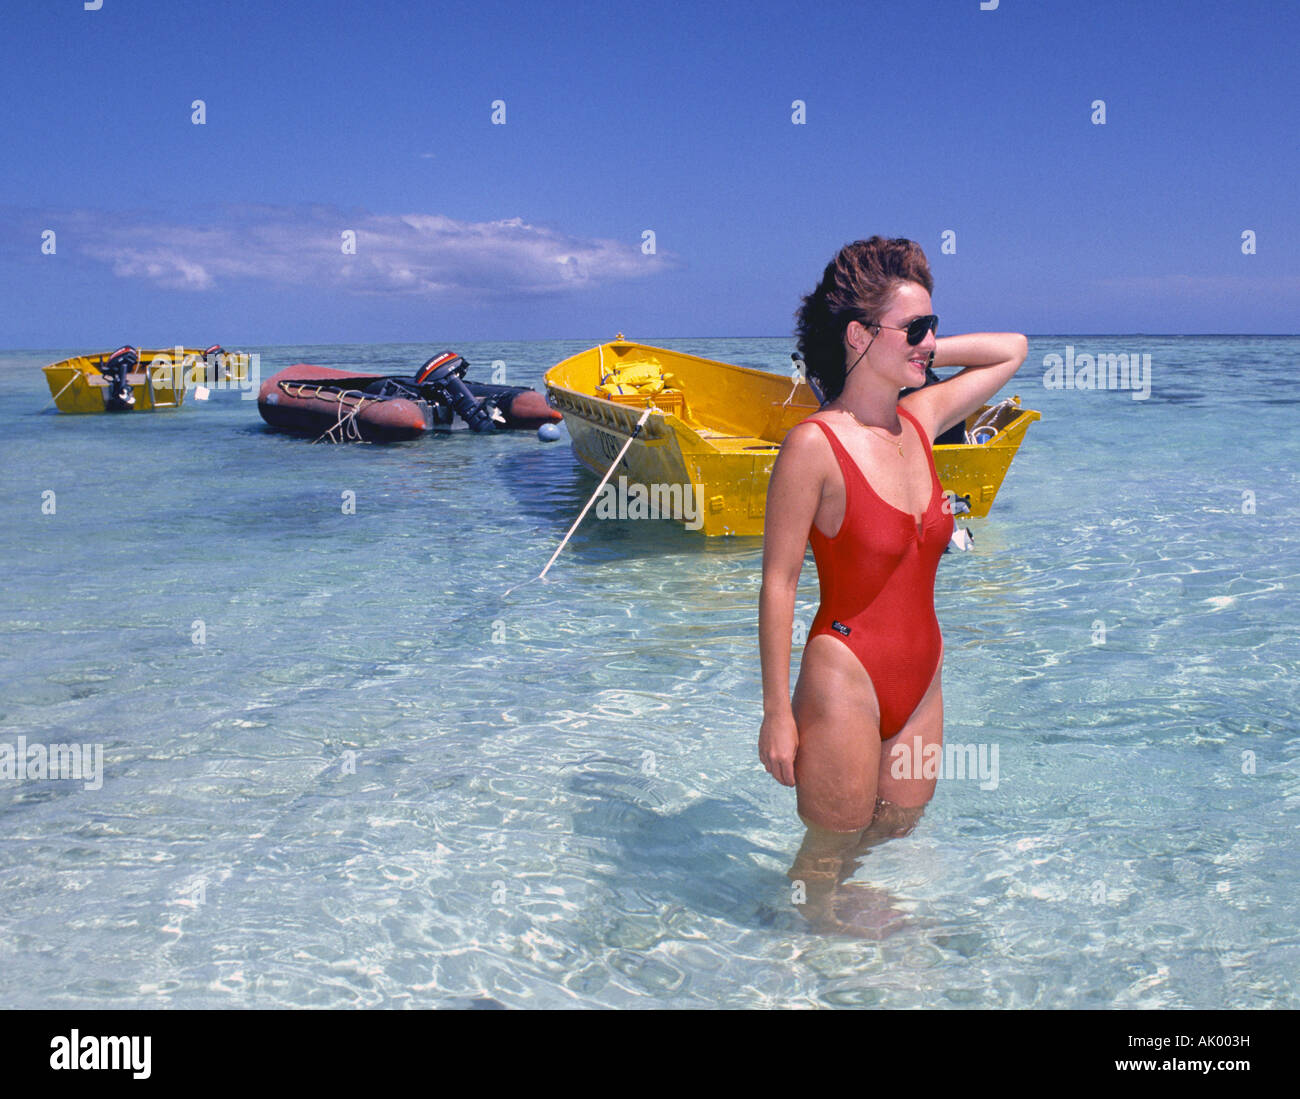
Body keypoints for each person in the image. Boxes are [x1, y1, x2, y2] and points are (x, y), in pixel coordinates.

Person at [759, 237, 1027, 847]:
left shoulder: (923, 420)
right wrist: (777, 712)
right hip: (844, 677)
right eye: (916, 327)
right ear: (858, 335)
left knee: (895, 836)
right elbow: (779, 583)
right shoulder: (813, 446)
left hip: (923, 678)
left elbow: (1011, 350)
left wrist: (915, 347)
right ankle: (797, 942)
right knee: (829, 857)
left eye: (933, 326)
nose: (930, 340)